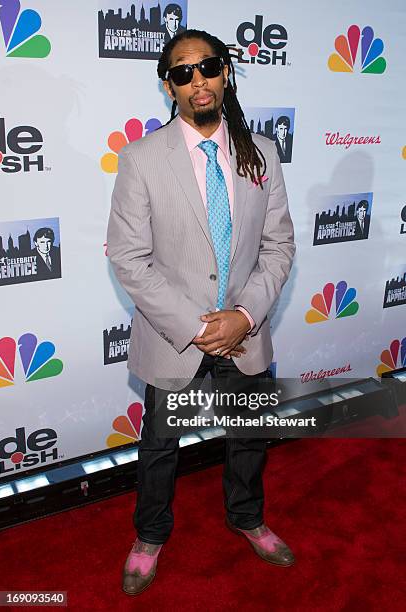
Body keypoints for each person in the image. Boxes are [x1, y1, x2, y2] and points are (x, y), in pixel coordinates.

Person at [107, 28, 296, 596]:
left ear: (225, 73)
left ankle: (246, 517)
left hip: (247, 332)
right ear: (169, 85)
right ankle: (149, 534)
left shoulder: (261, 153)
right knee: (160, 445)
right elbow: (129, 258)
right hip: (174, 338)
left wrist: (245, 315)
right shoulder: (141, 158)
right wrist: (198, 328)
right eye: (183, 73)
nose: (198, 81)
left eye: (208, 67)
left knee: (248, 438)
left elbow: (279, 244)